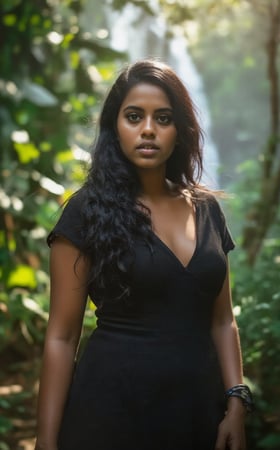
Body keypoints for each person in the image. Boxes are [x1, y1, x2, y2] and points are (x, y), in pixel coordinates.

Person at [35, 59, 253, 450]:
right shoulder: (86, 211)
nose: (148, 129)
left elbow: (223, 321)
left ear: (180, 130)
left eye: (163, 118)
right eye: (134, 116)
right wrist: (46, 442)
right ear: (114, 127)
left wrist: (236, 401)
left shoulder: (206, 209)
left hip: (197, 411)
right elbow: (62, 337)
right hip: (108, 413)